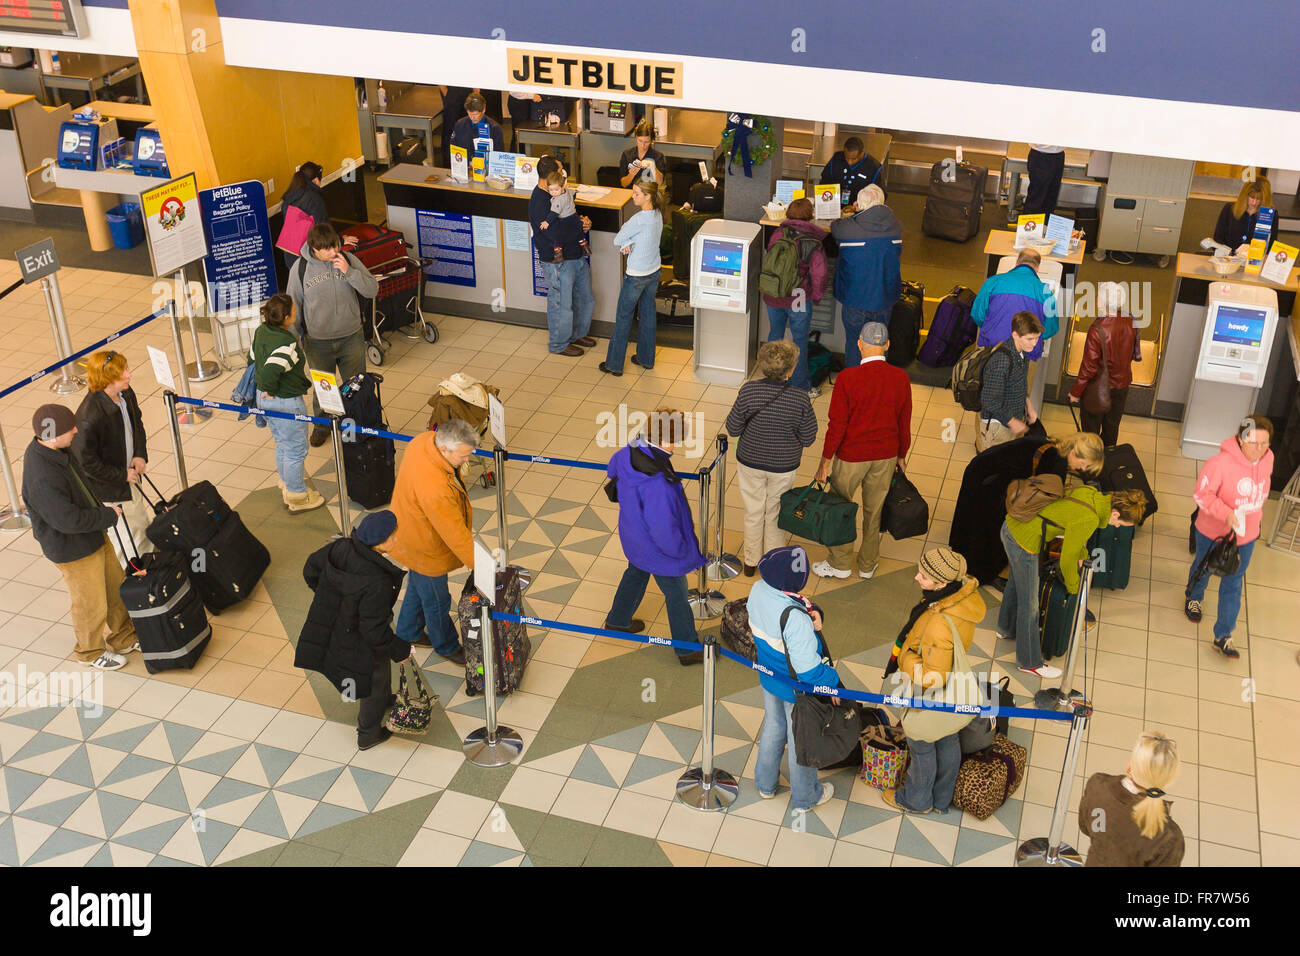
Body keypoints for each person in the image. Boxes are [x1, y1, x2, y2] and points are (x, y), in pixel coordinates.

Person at [21, 403, 138, 671]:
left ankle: (123, 637)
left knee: (115, 588)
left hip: (92, 534)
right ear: (51, 435)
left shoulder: (58, 449)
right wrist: (107, 516)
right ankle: (89, 652)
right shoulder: (42, 476)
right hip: (73, 548)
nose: (75, 429)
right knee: (90, 602)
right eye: (69, 428)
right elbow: (68, 521)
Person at [1000, 484, 1147, 678]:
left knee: (1017, 581)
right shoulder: (1090, 518)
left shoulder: (1091, 493)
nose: (1117, 527)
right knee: (1030, 604)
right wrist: (1074, 588)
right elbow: (1067, 559)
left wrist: (1084, 555)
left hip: (1013, 526)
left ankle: (1005, 628)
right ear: (1115, 513)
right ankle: (1029, 663)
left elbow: (1073, 537)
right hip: (1023, 541)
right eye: (1120, 523)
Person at [881, 548, 985, 814]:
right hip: (952, 687)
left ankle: (916, 800)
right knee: (947, 737)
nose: (917, 578)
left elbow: (933, 677)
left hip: (930, 688)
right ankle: (941, 798)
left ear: (942, 583)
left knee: (921, 743)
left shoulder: (939, 620)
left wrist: (905, 658)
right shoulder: (962, 598)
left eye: (924, 576)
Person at [299, 510, 414, 751]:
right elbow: (374, 632)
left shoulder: (341, 547)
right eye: (393, 535)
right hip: (360, 639)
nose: (397, 537)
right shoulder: (378, 581)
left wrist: (332, 601)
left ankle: (384, 700)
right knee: (374, 679)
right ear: (380, 543)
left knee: (378, 677)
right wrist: (399, 650)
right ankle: (368, 733)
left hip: (340, 626)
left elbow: (310, 569)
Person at [603, 409, 706, 666]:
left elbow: (612, 467)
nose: (679, 444)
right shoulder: (658, 484)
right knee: (677, 594)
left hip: (633, 535)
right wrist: (680, 551)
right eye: (677, 438)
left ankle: (617, 620)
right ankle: (687, 649)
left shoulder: (629, 451)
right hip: (657, 549)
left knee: (636, 573)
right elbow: (663, 529)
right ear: (666, 440)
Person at [812, 322, 912, 580]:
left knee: (840, 510)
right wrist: (902, 454)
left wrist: (825, 461)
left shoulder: (847, 378)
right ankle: (868, 565)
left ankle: (840, 564)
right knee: (874, 510)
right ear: (887, 345)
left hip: (851, 456)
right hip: (886, 455)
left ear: (859, 344)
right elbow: (904, 420)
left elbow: (837, 424)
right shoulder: (900, 378)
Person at [949, 432, 1105, 585]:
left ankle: (964, 553)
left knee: (973, 521)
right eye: (1085, 464)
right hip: (988, 482)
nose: (1083, 469)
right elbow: (1045, 495)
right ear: (1075, 452)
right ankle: (979, 572)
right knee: (990, 528)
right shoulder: (1057, 460)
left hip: (982, 470)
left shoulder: (1055, 445)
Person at [749, 545, 838, 812]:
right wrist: (831, 678)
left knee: (774, 727)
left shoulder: (758, 590)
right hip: (795, 691)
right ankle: (806, 797)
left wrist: (814, 612)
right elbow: (809, 671)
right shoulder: (796, 620)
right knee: (801, 738)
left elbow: (788, 607)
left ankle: (765, 785)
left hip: (769, 677)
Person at [389, 418, 479, 663]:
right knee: (437, 600)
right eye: (463, 456)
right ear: (444, 449)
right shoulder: (435, 488)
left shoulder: (423, 441)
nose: (466, 461)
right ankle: (447, 646)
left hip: (408, 529)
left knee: (419, 586)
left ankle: (408, 632)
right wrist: (481, 566)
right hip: (426, 545)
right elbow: (455, 535)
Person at [725, 341, 818, 575]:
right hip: (783, 466)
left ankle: (750, 562)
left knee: (753, 511)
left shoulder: (749, 391)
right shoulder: (800, 399)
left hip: (750, 461)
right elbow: (808, 438)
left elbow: (733, 428)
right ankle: (773, 562)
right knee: (775, 511)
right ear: (790, 370)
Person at [1185, 415, 1273, 659]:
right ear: (1241, 440)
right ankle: (1194, 597)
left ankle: (1223, 635)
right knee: (1204, 567)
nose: (1260, 449)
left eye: (1265, 444)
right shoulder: (1219, 464)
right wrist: (1226, 514)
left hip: (1246, 535)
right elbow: (1202, 495)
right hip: (1213, 532)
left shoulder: (1269, 459)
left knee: (1234, 582)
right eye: (1255, 443)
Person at [287, 222, 378, 447]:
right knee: (323, 389)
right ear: (314, 249)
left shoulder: (349, 261)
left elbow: (372, 289)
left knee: (356, 387)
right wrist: (292, 342)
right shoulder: (300, 269)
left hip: (352, 337)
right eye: (326, 249)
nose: (333, 252)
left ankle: (356, 426)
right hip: (317, 341)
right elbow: (293, 307)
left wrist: (349, 272)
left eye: (335, 246)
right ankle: (322, 426)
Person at [71, 350, 153, 566]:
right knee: (126, 534)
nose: (129, 375)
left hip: (129, 475)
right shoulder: (89, 417)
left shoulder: (126, 394)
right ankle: (135, 577)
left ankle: (151, 566)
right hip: (111, 487)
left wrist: (139, 454)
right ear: (106, 379)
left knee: (139, 523)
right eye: (121, 373)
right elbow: (86, 464)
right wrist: (121, 474)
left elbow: (138, 425)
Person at [249, 293, 325, 513]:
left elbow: (252, 358)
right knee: (296, 450)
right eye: (293, 310)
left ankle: (286, 482)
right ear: (287, 318)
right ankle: (297, 495)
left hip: (264, 401)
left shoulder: (261, 331)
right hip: (285, 403)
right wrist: (269, 388)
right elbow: (271, 371)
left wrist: (264, 390)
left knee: (283, 444)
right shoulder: (286, 342)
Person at [1078, 732, 1184, 867]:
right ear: (1168, 781)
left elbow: (1085, 827)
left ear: (1130, 766)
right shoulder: (1170, 837)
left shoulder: (1097, 785)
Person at [529, 154, 595, 357]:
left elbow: (568, 215)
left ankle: (577, 334)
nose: (563, 174)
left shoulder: (559, 193)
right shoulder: (539, 201)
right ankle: (559, 343)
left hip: (575, 255)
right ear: (550, 175)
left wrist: (582, 222)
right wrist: (576, 228)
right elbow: (552, 232)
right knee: (561, 303)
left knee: (585, 297)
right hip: (558, 261)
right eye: (560, 171)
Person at [761, 197, 829, 395]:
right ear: (811, 216)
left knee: (775, 336)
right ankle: (800, 386)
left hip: (773, 294)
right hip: (798, 297)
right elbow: (820, 273)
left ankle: (772, 381)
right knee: (799, 340)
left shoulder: (777, 233)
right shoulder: (813, 242)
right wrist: (816, 296)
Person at [830, 185, 902, 368]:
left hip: (856, 298)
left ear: (859, 205)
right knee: (879, 343)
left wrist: (855, 212)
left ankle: (854, 387)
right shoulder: (895, 225)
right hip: (885, 298)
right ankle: (877, 385)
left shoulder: (848, 229)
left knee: (855, 342)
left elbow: (834, 226)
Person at [601, 180, 664, 375]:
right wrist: (632, 241)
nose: (633, 196)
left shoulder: (638, 219)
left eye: (637, 194)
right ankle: (646, 359)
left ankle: (614, 365)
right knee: (647, 315)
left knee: (623, 318)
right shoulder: (658, 215)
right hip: (654, 271)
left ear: (648, 196)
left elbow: (617, 239)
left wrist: (628, 241)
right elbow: (646, 238)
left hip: (636, 275)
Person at [1068, 282, 1142, 447]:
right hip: (1122, 385)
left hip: (1098, 388)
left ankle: (1091, 468)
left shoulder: (1097, 329)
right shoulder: (1131, 320)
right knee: (1111, 427)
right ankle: (1107, 462)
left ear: (1101, 302)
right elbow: (1132, 352)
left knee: (1090, 431)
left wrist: (1075, 392)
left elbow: (1089, 367)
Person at [972, 248, 1058, 364]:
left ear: (1017, 262)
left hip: (991, 347)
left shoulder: (993, 281)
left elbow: (977, 314)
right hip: (1025, 351)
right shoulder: (1046, 292)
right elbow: (1051, 329)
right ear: (1037, 267)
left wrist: (992, 328)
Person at [977, 310, 1042, 452]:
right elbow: (989, 400)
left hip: (1012, 420)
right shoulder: (1002, 361)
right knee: (993, 467)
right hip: (997, 425)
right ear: (1015, 335)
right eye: (1030, 339)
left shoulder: (1023, 352)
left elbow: (1020, 384)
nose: (1034, 344)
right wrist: (1012, 421)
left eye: (1037, 338)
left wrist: (1029, 407)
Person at [280, 161, 326, 268]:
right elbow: (323, 228)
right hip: (308, 255)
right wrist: (340, 241)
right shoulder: (314, 199)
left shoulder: (288, 198)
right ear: (315, 180)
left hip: (290, 255)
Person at [1213, 178, 1278, 254]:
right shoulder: (1229, 208)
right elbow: (1217, 240)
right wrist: (1233, 252)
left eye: (1259, 199)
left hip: (1255, 260)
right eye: (1251, 197)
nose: (1254, 203)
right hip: (1228, 258)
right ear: (1245, 195)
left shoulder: (1270, 214)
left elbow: (1272, 245)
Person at [818, 135, 882, 208]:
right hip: (834, 206)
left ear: (862, 153)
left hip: (860, 209)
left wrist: (861, 207)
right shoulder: (837, 158)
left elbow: (879, 196)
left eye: (854, 159)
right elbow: (825, 181)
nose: (849, 162)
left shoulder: (873, 167)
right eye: (847, 158)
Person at [539, 169, 589, 261]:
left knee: (558, 237)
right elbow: (574, 195)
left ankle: (558, 255)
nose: (554, 192)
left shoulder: (558, 200)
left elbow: (554, 213)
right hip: (574, 217)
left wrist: (547, 222)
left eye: (556, 189)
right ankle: (585, 247)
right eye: (551, 190)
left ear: (562, 187)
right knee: (578, 233)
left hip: (565, 220)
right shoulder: (568, 191)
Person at [449, 93, 505, 162]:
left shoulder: (495, 129)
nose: (473, 117)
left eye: (476, 114)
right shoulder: (459, 125)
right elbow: (453, 148)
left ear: (483, 110)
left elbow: (499, 155)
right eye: (470, 113)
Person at [618, 120, 667, 189]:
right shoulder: (627, 154)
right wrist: (631, 175)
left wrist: (652, 166)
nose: (642, 145)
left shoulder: (658, 156)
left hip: (649, 194)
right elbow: (623, 184)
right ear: (636, 137)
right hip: (632, 193)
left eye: (646, 142)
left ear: (651, 141)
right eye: (640, 140)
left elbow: (660, 182)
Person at [1023, 145, 1065, 218]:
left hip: (1058, 154)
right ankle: (1029, 227)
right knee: (1036, 199)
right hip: (1041, 154)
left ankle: (1044, 227)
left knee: (1050, 199)